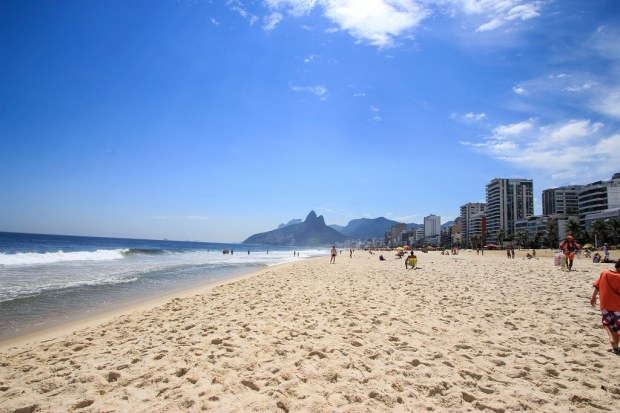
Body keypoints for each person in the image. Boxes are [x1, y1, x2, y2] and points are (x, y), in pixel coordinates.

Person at [590, 260, 620, 354]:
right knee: (617, 327)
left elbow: (597, 286)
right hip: (617, 306)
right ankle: (615, 345)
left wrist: (593, 297)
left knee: (607, 323)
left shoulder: (604, 273)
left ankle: (613, 344)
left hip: (605, 304)